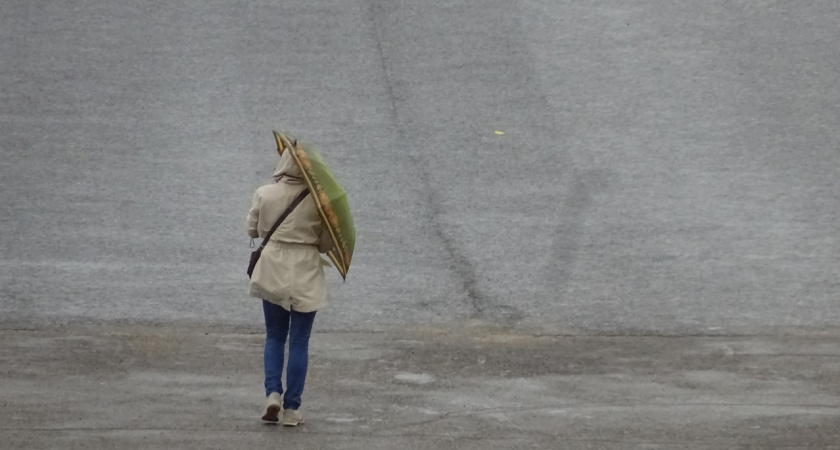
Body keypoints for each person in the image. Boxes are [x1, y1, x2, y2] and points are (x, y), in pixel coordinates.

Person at [246, 147, 333, 426]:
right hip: (305, 269)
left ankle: (273, 393)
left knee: (274, 336)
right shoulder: (320, 200)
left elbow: (253, 230)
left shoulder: (265, 192)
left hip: (272, 267)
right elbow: (326, 244)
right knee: (299, 341)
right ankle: (292, 410)